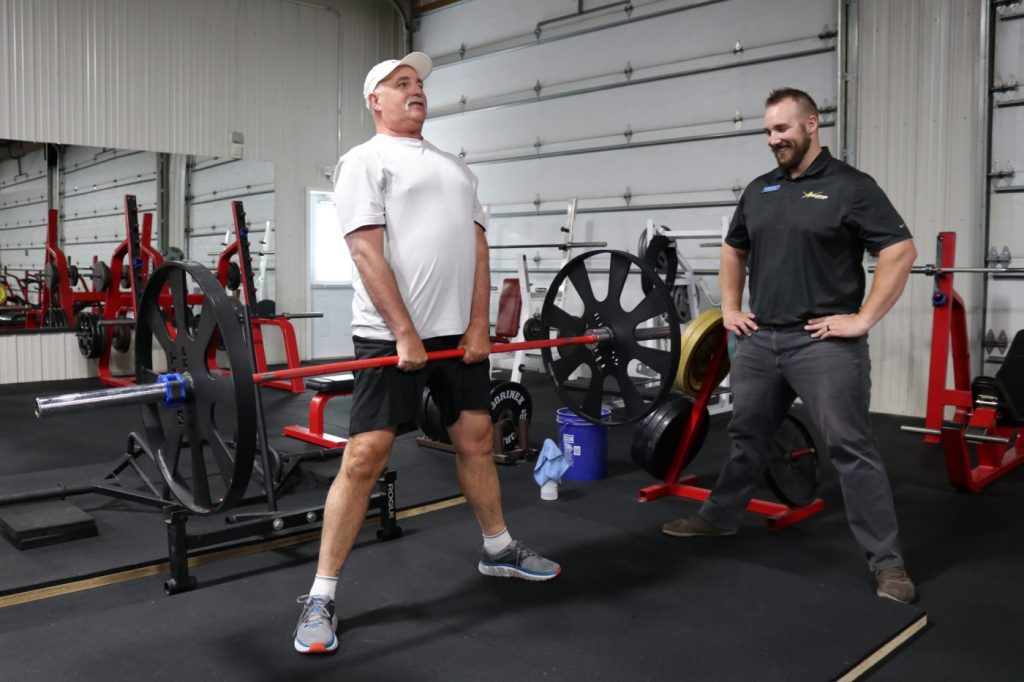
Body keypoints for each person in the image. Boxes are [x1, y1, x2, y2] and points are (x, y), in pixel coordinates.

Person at [292, 52, 560, 655]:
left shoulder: (456, 169)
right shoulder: (363, 162)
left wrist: (477, 325)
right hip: (391, 335)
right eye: (401, 84)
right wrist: (405, 332)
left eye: (419, 85)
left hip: (457, 338)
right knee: (366, 456)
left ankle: (499, 549)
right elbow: (365, 251)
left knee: (476, 439)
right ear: (375, 101)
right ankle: (322, 594)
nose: (416, 91)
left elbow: (478, 252)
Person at [660, 88, 919, 605]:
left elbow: (900, 250)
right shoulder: (760, 190)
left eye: (782, 129)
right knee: (746, 434)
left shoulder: (851, 187)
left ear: (811, 125)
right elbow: (734, 249)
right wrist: (731, 310)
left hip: (821, 344)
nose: (774, 140)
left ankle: (888, 564)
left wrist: (862, 319)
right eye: (768, 132)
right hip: (760, 342)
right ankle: (720, 517)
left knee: (851, 448)